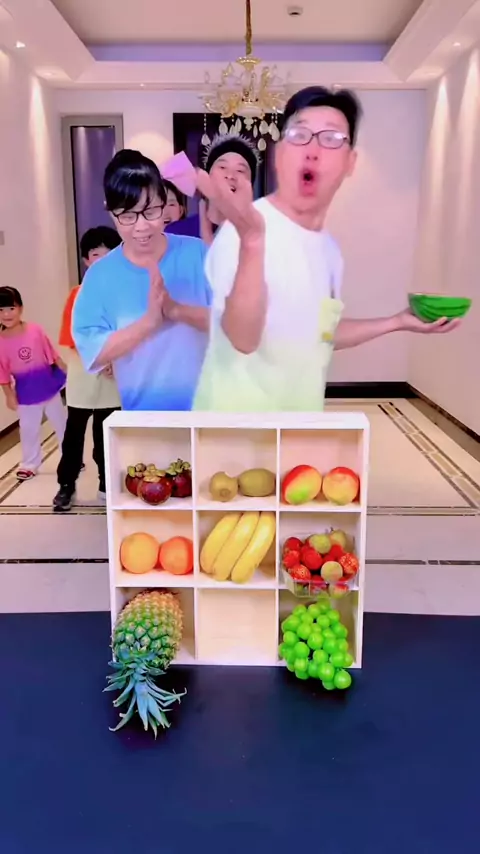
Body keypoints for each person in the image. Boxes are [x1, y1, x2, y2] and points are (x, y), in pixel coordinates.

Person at [193, 86, 460, 412]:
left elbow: (320, 334)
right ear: (280, 154)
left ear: (350, 162)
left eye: (331, 138)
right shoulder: (242, 231)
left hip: (300, 424)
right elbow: (241, 338)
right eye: (300, 135)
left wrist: (397, 321)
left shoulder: (328, 251)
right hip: (233, 429)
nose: (313, 150)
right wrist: (252, 242)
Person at [72, 149, 212, 411]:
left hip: (208, 415)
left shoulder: (199, 254)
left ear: (165, 202)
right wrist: (148, 323)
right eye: (127, 216)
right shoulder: (100, 276)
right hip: (142, 419)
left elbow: (236, 326)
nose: (141, 226)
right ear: (111, 212)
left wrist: (177, 310)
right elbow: (93, 351)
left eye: (151, 211)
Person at [53, 226, 122, 513]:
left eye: (109, 254)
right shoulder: (77, 294)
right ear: (85, 260)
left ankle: (107, 483)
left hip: (114, 376)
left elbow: (129, 332)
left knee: (106, 433)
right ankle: (66, 484)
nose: (102, 260)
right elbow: (73, 336)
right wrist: (103, 359)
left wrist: (115, 360)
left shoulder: (125, 294)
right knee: (74, 433)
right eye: (96, 255)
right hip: (83, 373)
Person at [0, 286, 67, 479]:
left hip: (49, 387)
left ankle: (71, 459)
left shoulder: (35, 330)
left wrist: (67, 372)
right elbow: (2, 374)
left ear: (20, 308)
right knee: (29, 430)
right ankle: (29, 463)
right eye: (1, 310)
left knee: (62, 424)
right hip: (26, 393)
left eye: (11, 308)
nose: (6, 314)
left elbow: (52, 354)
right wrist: (9, 396)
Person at [165, 134, 258, 243]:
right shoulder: (175, 233)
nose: (230, 175)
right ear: (207, 176)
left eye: (240, 170)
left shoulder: (263, 236)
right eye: (222, 167)